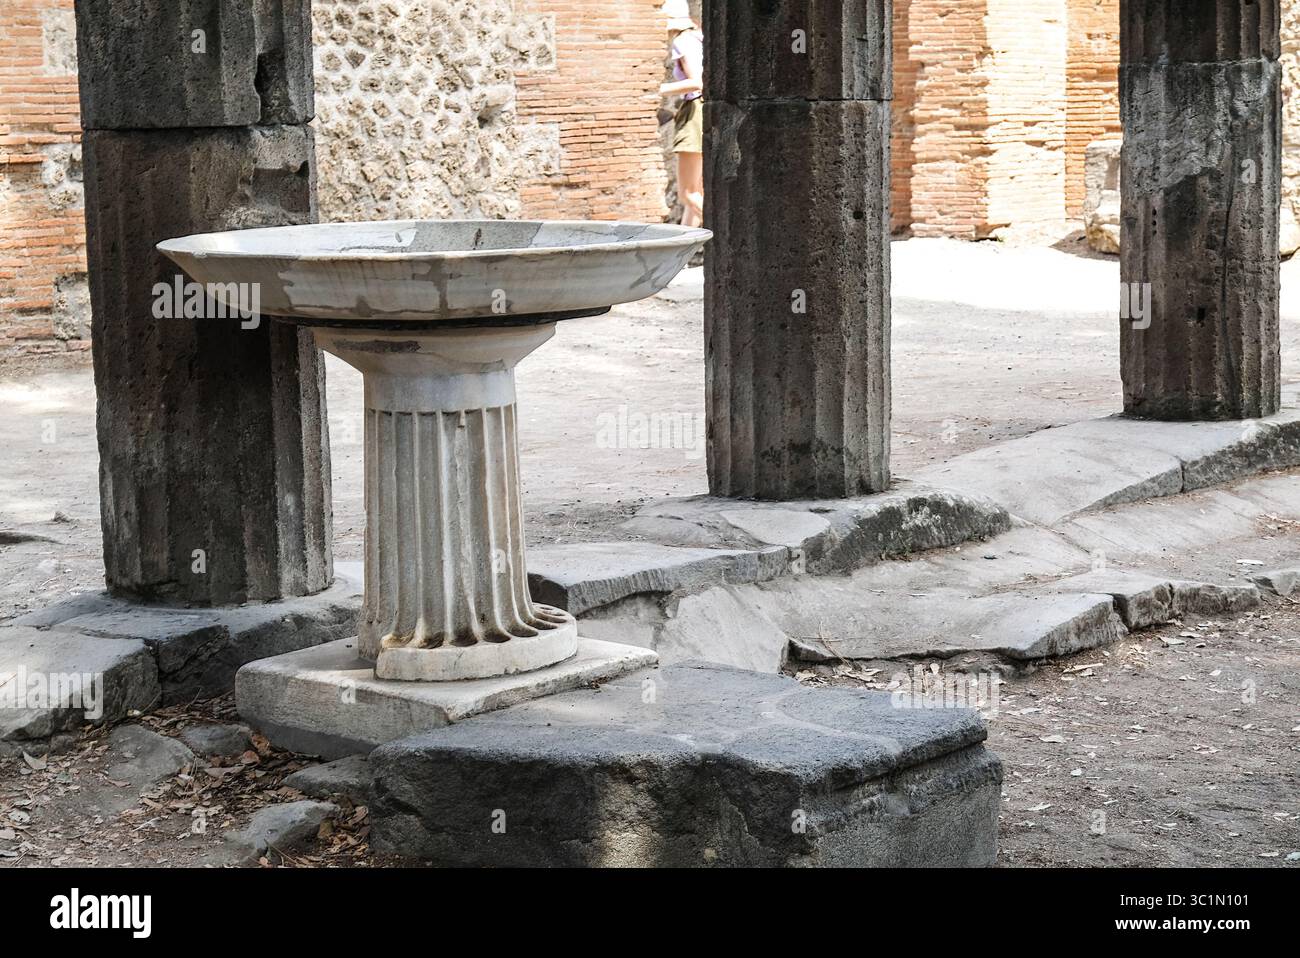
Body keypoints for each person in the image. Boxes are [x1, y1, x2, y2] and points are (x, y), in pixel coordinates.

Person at [659, 0, 704, 229]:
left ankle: (733, 231)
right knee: (696, 192)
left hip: (694, 111)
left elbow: (697, 82)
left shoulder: (681, 41)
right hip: (701, 110)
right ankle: (683, 254)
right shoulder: (698, 38)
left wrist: (660, 89)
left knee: (687, 194)